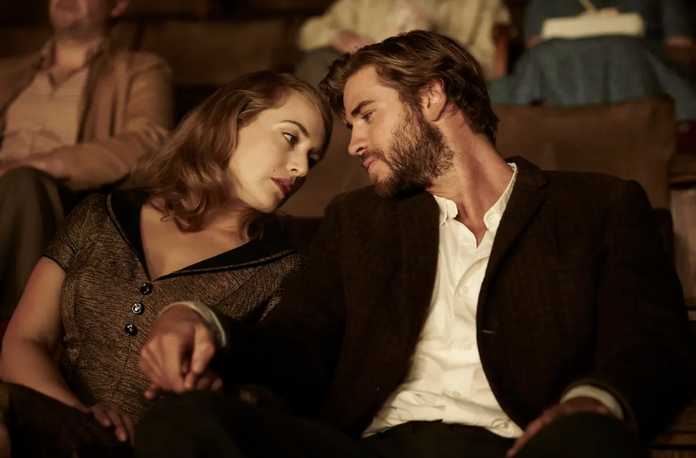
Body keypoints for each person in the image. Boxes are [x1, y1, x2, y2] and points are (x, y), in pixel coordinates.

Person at [135, 31, 694, 458]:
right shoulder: (357, 220)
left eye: (366, 116)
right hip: (368, 446)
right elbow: (295, 343)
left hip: (520, 445)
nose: (352, 144)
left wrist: (593, 402)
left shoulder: (598, 205)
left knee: (591, 441)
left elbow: (650, 338)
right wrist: (199, 320)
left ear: (430, 97)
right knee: (182, 421)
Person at [0, 70, 332, 458]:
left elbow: (274, 399)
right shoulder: (101, 214)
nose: (301, 169)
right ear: (233, 121)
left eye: (313, 159)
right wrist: (78, 419)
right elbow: (24, 340)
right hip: (44, 427)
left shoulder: (283, 269)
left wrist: (217, 392)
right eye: (290, 138)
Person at [0, 0, 174, 320]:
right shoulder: (7, 72)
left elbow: (148, 141)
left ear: (117, 5)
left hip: (60, 197)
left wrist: (40, 164)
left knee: (23, 184)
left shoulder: (139, 69)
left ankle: (19, 333)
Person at [295, 0, 510, 87]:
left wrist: (432, 43)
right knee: (316, 63)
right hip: (362, 74)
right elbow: (308, 32)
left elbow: (491, 66)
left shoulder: (480, 5)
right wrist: (339, 36)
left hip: (427, 78)